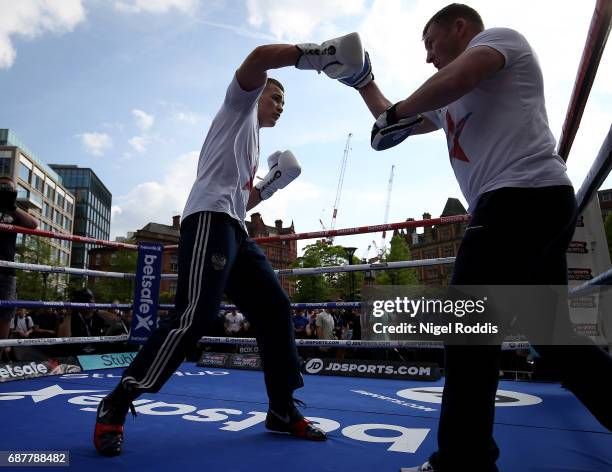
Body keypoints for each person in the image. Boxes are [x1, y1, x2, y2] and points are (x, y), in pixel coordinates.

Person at [340, 4, 612, 471]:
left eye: (430, 42)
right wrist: (363, 80)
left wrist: (399, 113)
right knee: (554, 337)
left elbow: (452, 81)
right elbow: (399, 121)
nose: (427, 57)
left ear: (460, 27)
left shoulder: (501, 40)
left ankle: (463, 461)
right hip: (532, 203)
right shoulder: (446, 97)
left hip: (517, 199)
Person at [93, 33, 367, 456]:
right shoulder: (238, 106)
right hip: (208, 219)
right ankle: (118, 401)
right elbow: (258, 58)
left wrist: (271, 187)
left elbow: (244, 198)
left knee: (276, 308)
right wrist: (314, 55)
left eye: (282, 105)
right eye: (276, 99)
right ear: (259, 94)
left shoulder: (252, 142)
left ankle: (280, 409)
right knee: (195, 315)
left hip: (234, 226)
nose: (280, 108)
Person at [0, 176, 37, 360]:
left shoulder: (14, 212)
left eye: (9, 188)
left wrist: (12, 206)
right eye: (2, 187)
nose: (5, 189)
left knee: (5, 316)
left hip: (6, 270)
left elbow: (33, 225)